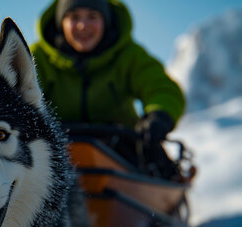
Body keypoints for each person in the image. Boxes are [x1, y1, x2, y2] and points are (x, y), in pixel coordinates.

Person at [30, 0, 186, 177]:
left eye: (92, 16)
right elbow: (16, 92)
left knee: (155, 160)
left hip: (120, 147)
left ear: (105, 20)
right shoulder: (36, 59)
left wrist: (159, 115)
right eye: (74, 17)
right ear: (61, 22)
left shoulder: (129, 55)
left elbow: (160, 87)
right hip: (52, 149)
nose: (83, 25)